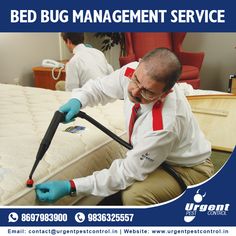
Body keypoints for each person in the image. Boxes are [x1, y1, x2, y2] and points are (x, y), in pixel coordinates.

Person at [35, 48, 214, 205]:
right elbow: (100, 88)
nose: (134, 92)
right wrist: (78, 100)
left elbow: (127, 171)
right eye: (136, 81)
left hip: (189, 169)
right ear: (140, 64)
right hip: (163, 157)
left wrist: (71, 186)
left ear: (166, 92)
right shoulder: (132, 71)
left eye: (148, 92)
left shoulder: (164, 125)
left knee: (134, 196)